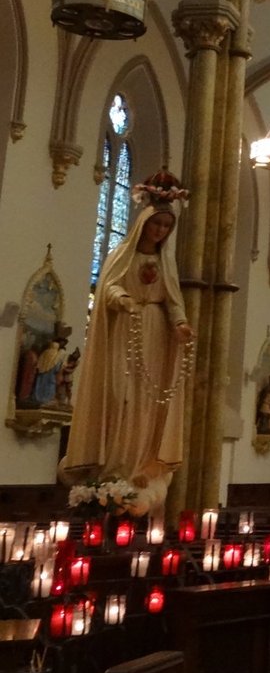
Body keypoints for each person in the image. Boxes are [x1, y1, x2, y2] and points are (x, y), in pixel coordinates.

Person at [60, 171, 194, 517]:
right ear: (144, 224)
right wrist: (121, 298)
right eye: (156, 225)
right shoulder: (123, 254)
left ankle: (139, 465)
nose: (160, 232)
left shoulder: (166, 262)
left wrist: (180, 324)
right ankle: (114, 463)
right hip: (124, 331)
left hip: (155, 337)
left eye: (166, 227)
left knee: (147, 405)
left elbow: (172, 299)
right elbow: (107, 286)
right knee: (123, 396)